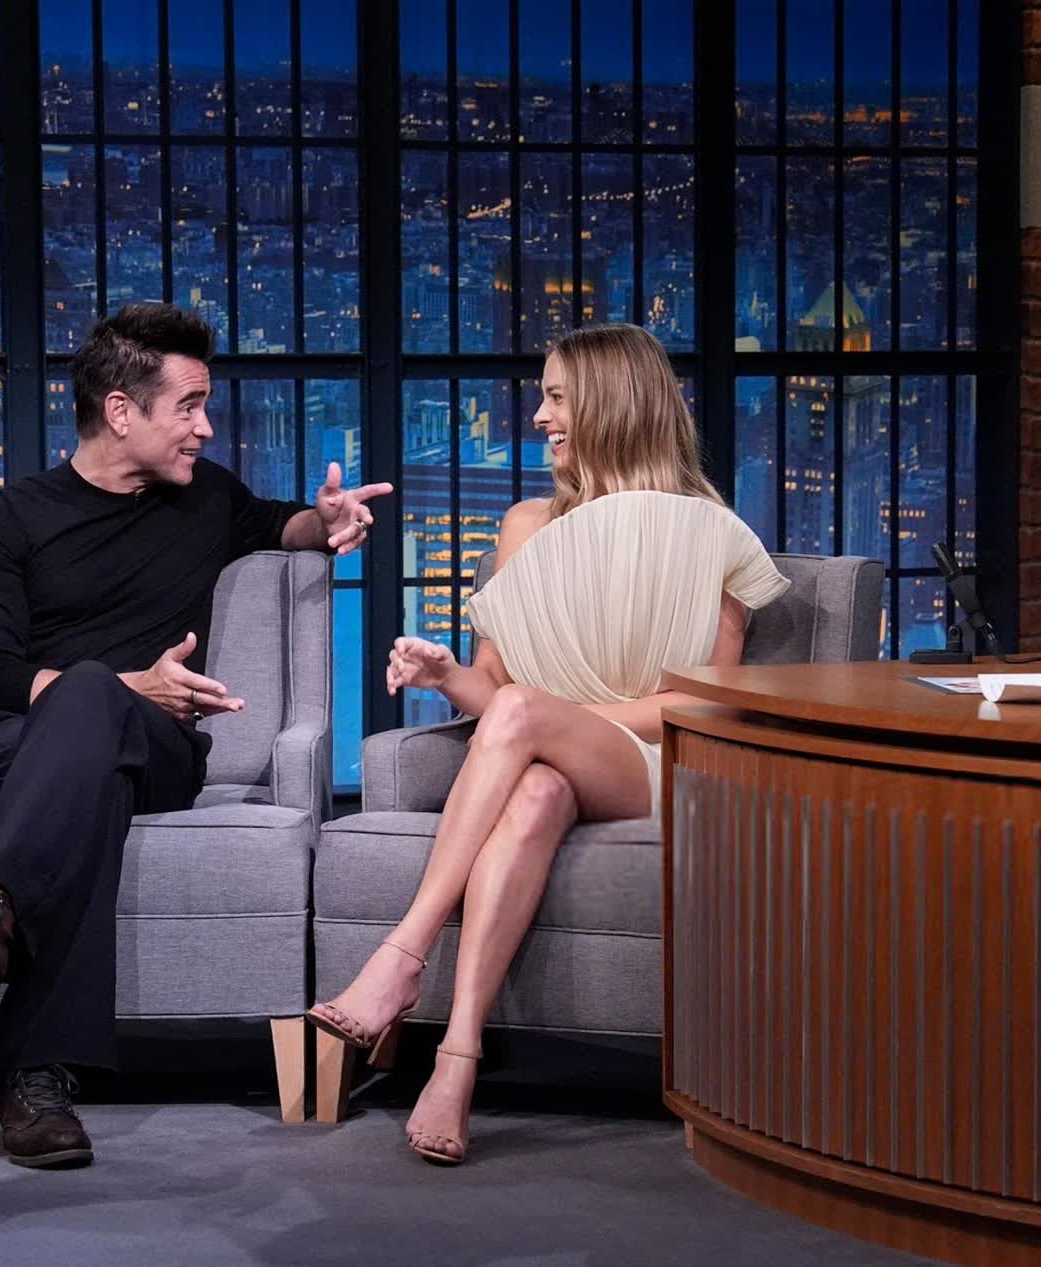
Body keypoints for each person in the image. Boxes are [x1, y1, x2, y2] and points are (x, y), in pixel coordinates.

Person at [0, 302, 389, 1168]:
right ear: (121, 411)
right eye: (189, 406)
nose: (206, 427)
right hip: (9, 752)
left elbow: (290, 526)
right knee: (91, 742)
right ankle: (36, 1079)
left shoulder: (207, 499)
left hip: (159, 752)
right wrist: (128, 686)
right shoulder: (4, 519)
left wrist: (330, 523)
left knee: (96, 712)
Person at [307, 323, 790, 1165]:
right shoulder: (526, 526)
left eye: (557, 397)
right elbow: (496, 693)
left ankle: (402, 953)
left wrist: (566, 719)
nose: (538, 417)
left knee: (528, 722)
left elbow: (704, 701)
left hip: (657, 764)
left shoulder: (712, 531)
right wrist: (447, 674)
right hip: (543, 755)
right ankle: (457, 1057)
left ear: (611, 405)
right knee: (534, 789)